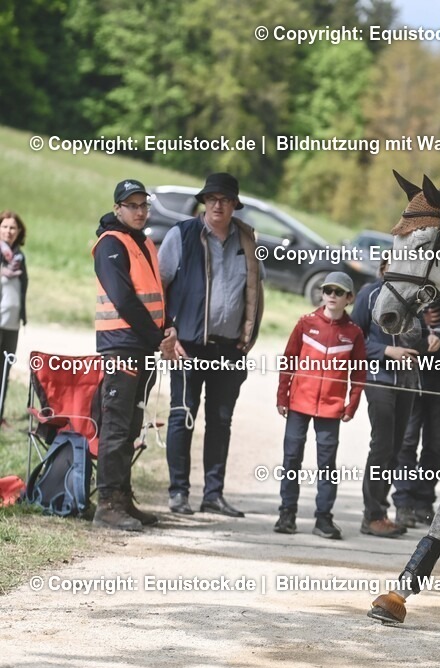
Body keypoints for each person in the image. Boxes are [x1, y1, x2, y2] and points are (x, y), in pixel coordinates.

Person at [158, 172, 264, 518]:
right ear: (204, 202)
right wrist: (167, 332)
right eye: (213, 198)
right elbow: (159, 287)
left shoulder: (248, 240)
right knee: (183, 416)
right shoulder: (181, 235)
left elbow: (255, 292)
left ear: (235, 204)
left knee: (221, 421)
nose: (218, 205)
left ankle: (213, 495)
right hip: (187, 346)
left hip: (230, 349)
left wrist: (247, 339)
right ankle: (178, 492)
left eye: (225, 199)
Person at [91, 180, 171, 530]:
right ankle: (107, 505)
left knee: (131, 425)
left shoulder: (143, 241)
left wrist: (166, 329)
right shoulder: (111, 244)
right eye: (132, 205)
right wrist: (157, 337)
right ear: (118, 209)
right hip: (121, 344)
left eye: (143, 205)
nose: (140, 211)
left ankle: (123, 499)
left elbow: (155, 295)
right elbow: (123, 299)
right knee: (117, 426)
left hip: (142, 345)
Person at [275, 272, 366, 540]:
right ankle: (287, 513)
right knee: (291, 458)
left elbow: (359, 374)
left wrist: (351, 404)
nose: (332, 296)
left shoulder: (354, 333)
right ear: (322, 294)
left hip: (331, 408)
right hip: (298, 404)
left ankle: (324, 518)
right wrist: (282, 396)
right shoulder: (305, 323)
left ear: (349, 298)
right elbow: (288, 361)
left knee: (327, 464)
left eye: (339, 292)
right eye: (328, 290)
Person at [351, 260, 428, 537]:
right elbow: (353, 337)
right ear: (383, 268)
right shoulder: (369, 294)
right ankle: (372, 516)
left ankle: (380, 514)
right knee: (381, 446)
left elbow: (420, 338)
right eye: (390, 265)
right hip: (379, 380)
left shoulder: (415, 297)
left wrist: (430, 339)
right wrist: (386, 351)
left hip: (408, 383)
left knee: (396, 449)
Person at [392, 298, 440, 529]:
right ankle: (403, 503)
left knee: (435, 445)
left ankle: (423, 501)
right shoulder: (410, 289)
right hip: (411, 378)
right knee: (407, 441)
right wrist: (420, 321)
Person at [0, 211, 27, 426]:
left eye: (12, 228)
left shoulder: (19, 257)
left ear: (18, 232)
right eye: (5, 226)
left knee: (4, 370)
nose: (9, 231)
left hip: (12, 322)